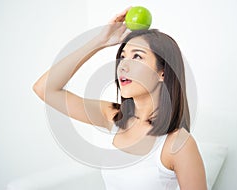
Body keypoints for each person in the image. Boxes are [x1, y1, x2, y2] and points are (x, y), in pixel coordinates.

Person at [33, 7, 207, 190]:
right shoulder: (114, 116)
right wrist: (99, 41)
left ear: (162, 73)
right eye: (122, 57)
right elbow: (44, 88)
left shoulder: (178, 143)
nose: (123, 65)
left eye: (137, 57)